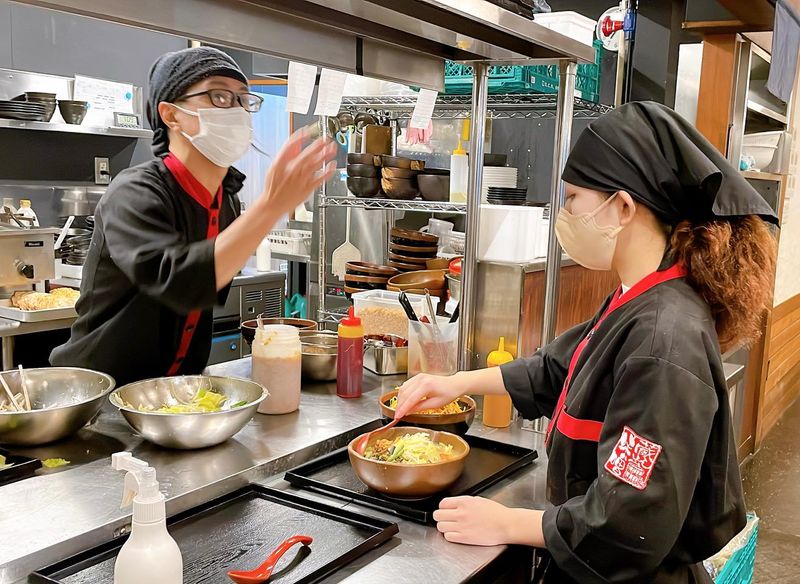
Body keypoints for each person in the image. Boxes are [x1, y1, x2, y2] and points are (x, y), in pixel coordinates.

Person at [395, 101, 778, 583]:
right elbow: (559, 367)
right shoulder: (638, 295)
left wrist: (508, 523)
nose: (565, 213)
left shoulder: (664, 338)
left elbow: (631, 519)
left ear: (622, 207)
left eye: (574, 197)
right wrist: (454, 383)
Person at [51, 47, 336, 384]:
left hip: (174, 391)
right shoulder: (134, 192)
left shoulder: (226, 200)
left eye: (243, 99)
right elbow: (180, 284)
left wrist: (267, 208)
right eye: (219, 96)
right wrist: (270, 205)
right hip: (100, 390)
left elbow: (207, 288)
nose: (237, 111)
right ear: (171, 115)